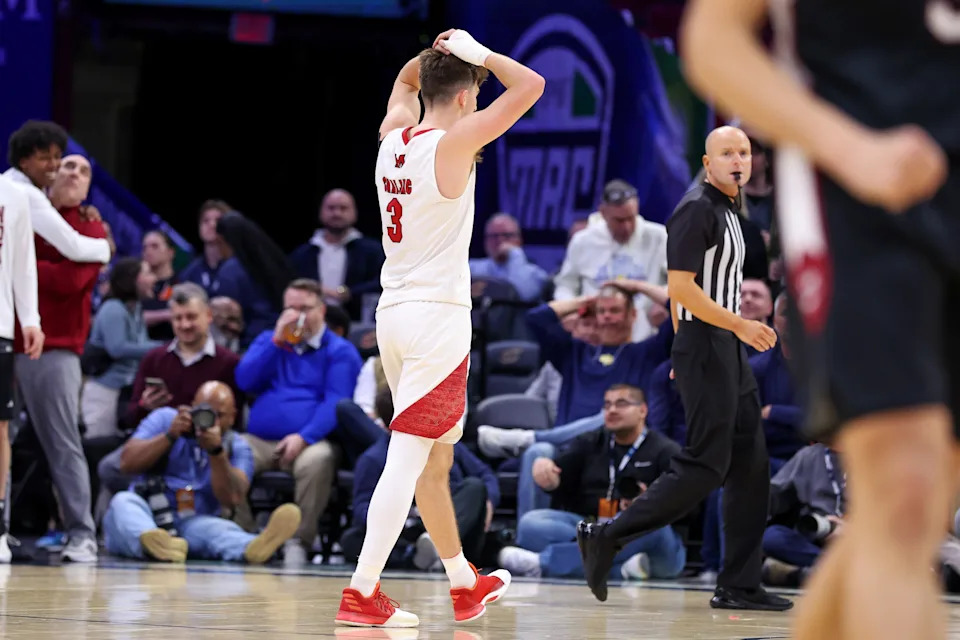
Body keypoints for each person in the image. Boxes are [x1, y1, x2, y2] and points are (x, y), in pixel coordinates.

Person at [680, 1, 958, 639]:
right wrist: (847, 148)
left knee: (914, 507)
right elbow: (711, 37)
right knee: (905, 486)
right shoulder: (697, 214)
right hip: (857, 185)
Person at [335, 28, 544, 628]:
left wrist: (436, 57)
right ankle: (362, 590)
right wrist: (476, 53)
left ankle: (463, 583)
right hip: (437, 321)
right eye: (473, 93)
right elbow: (531, 85)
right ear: (462, 99)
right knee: (407, 457)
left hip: (394, 315)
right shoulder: (454, 143)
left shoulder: (391, 137)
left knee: (433, 460)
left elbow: (406, 81)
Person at [576, 126, 792, 611]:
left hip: (716, 348)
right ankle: (607, 534)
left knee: (751, 469)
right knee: (704, 465)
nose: (739, 160)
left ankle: (739, 583)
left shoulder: (735, 208)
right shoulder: (696, 208)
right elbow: (682, 289)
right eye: (727, 153)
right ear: (707, 161)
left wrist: (685, 351)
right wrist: (722, 333)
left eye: (745, 152)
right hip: (712, 341)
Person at [0, 175, 44, 561]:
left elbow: (23, 263)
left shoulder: (13, 194)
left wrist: (30, 318)